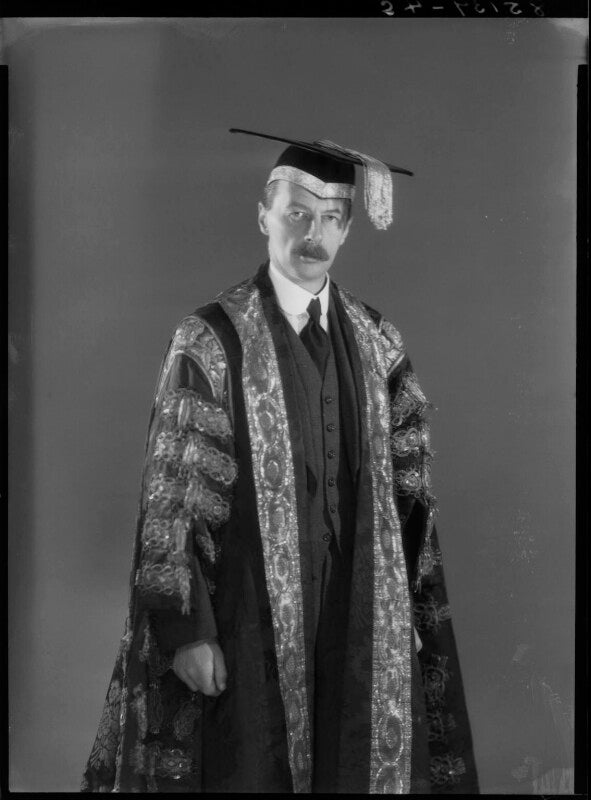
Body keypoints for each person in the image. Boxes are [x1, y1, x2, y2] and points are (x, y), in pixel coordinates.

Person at [81, 129, 479, 794]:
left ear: (346, 229)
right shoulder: (211, 340)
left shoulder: (379, 342)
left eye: (330, 217)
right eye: (296, 212)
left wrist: (405, 611)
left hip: (358, 603)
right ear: (264, 215)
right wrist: (188, 632)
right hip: (248, 610)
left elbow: (410, 497)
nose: (311, 234)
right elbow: (171, 498)